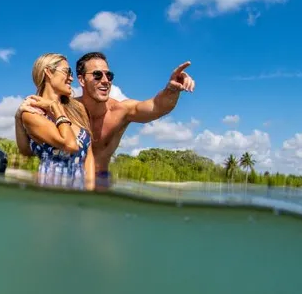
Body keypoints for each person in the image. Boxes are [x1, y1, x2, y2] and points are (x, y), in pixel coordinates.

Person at [14, 51, 195, 187]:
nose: (106, 80)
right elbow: (30, 148)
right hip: (58, 184)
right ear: (82, 80)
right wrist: (18, 118)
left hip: (100, 181)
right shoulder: (65, 107)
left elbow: (156, 107)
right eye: (97, 75)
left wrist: (172, 89)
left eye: (109, 75)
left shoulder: (120, 110)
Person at [17, 53, 95, 190]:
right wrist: (55, 107)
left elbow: (89, 155)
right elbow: (70, 145)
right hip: (50, 195)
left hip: (79, 195)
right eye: (67, 72)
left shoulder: (78, 109)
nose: (71, 78)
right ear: (48, 72)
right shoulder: (32, 114)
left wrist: (90, 193)